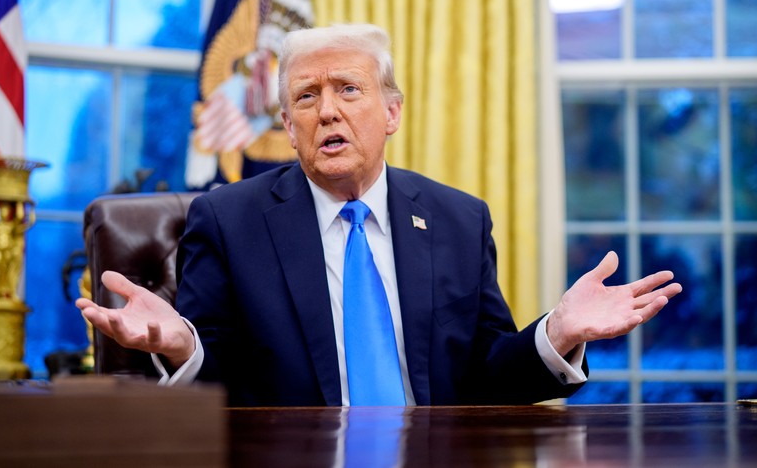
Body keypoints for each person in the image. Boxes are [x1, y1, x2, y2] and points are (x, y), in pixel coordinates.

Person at [76, 23, 682, 407]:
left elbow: (484, 378)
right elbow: (223, 382)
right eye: (306, 98)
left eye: (348, 89)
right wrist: (184, 346)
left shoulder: (458, 220)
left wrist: (557, 333)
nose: (327, 112)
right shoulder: (229, 220)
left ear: (391, 113)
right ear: (287, 128)